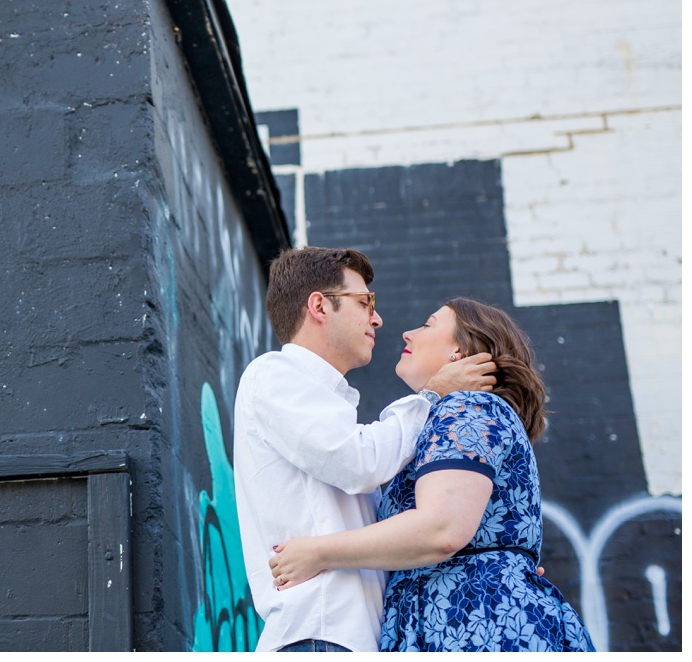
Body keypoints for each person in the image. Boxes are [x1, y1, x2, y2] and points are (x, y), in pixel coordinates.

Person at [268, 297, 595, 651]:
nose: (407, 334)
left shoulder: (467, 407)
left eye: (427, 324)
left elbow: (441, 529)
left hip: (475, 626)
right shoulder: (451, 418)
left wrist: (316, 554)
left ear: (460, 350)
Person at [233, 247, 498, 652]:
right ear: (320, 306)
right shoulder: (273, 375)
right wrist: (430, 396)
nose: (377, 318)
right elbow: (360, 462)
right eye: (364, 302)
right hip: (321, 634)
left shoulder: (326, 406)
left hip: (351, 639)